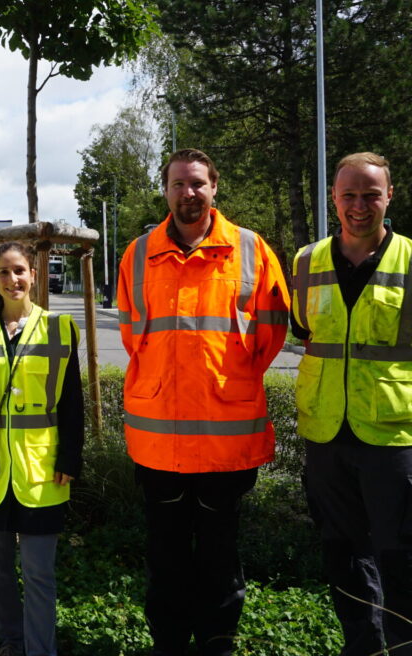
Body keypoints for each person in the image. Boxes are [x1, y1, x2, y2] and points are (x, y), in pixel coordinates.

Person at [117, 149, 289, 656]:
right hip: (158, 445)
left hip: (224, 443)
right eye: (177, 184)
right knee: (165, 559)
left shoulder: (251, 250)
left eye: (197, 183)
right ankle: (168, 645)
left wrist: (227, 380)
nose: (187, 193)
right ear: (165, 190)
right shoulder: (138, 253)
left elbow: (271, 335)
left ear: (215, 187)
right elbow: (133, 336)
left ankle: (217, 646)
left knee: (220, 560)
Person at [291, 151, 412, 655]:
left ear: (390, 197)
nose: (359, 206)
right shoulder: (305, 261)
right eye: (349, 196)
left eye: (370, 195)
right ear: (334, 200)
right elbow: (304, 332)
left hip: (392, 437)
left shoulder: (410, 259)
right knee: (342, 556)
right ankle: (362, 647)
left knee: (401, 559)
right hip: (325, 437)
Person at [0, 241, 84, 656]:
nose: (13, 280)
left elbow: (73, 403)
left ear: (35, 275)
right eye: (4, 272)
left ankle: (40, 650)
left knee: (39, 573)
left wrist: (70, 458)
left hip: (41, 471)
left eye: (20, 271)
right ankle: (11, 643)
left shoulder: (60, 329)